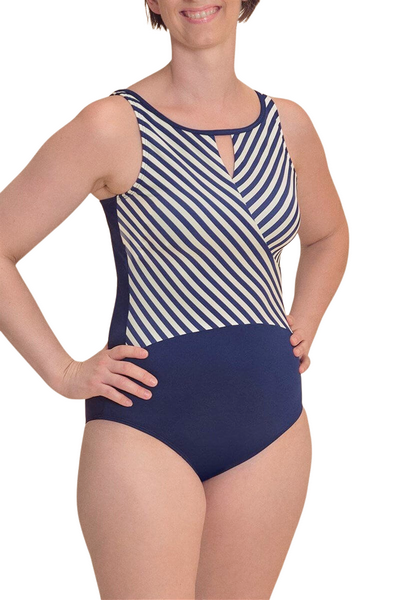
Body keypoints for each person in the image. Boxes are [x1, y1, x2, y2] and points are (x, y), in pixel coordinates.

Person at [0, 0, 349, 598]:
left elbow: (328, 235)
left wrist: (304, 320)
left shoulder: (288, 126)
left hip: (271, 427)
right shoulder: (113, 125)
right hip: (146, 427)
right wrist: (63, 371)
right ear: (153, 2)